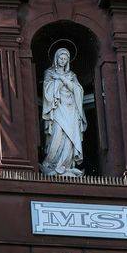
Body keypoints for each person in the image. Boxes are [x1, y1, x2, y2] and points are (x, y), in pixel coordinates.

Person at [40, 46, 86, 177]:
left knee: (69, 138)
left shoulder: (71, 75)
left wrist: (62, 79)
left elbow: (78, 91)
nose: (63, 61)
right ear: (56, 58)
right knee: (57, 134)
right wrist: (59, 82)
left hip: (71, 109)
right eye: (61, 58)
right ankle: (51, 164)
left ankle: (65, 165)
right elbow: (47, 92)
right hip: (57, 108)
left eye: (65, 59)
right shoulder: (49, 73)